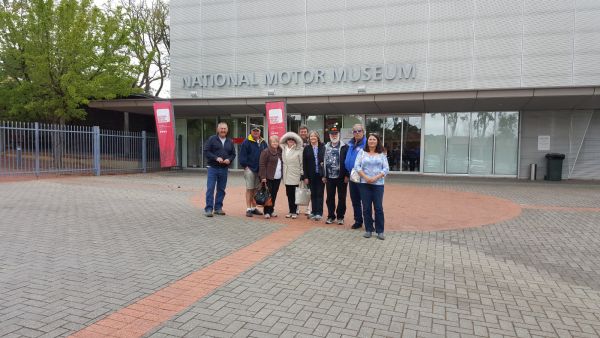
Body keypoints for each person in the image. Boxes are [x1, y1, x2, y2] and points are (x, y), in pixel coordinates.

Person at [354, 133, 389, 240]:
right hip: (364, 184)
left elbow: (386, 168)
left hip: (378, 184)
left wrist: (375, 178)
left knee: (378, 208)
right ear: (367, 141)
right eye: (370, 139)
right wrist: (366, 177)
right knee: (366, 207)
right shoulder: (362, 152)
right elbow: (357, 166)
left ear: (377, 141)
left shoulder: (382, 154)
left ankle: (380, 231)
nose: (372, 141)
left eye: (374, 139)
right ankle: (368, 229)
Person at [203, 122, 236, 217]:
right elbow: (206, 151)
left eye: (225, 128)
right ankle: (209, 209)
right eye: (221, 128)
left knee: (221, 189)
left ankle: (218, 208)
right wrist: (216, 158)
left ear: (227, 130)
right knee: (210, 188)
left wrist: (229, 160)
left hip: (224, 169)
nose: (223, 130)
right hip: (212, 168)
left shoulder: (230, 141)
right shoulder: (212, 139)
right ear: (218, 129)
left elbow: (233, 154)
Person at [239, 124, 267, 217]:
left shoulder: (263, 142)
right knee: (249, 189)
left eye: (257, 130)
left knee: (256, 190)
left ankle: (254, 208)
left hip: (259, 170)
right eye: (254, 131)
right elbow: (242, 156)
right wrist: (245, 166)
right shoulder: (246, 142)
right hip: (250, 169)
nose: (256, 132)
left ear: (260, 132)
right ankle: (248, 209)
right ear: (251, 132)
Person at [323, 124, 348, 225]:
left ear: (339, 134)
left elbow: (347, 162)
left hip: (341, 177)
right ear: (329, 135)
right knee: (330, 198)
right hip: (329, 177)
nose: (334, 135)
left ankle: (340, 216)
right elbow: (322, 161)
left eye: (336, 133)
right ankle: (330, 216)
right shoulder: (325, 146)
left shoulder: (345, 147)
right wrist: (323, 175)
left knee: (342, 198)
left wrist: (347, 175)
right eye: (332, 134)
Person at [343, 123, 366, 229]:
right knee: (355, 200)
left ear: (363, 132)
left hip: (363, 177)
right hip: (352, 177)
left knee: (366, 200)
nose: (357, 133)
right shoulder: (351, 144)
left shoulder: (366, 144)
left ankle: (368, 221)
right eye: (355, 131)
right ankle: (358, 220)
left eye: (359, 131)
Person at [280, 131, 303, 219]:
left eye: (292, 140)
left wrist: (302, 174)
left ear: (295, 141)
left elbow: (302, 163)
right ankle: (290, 211)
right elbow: (281, 141)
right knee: (288, 194)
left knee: (294, 194)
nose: (290, 141)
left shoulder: (299, 150)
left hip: (295, 174)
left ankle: (294, 211)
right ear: (286, 141)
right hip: (286, 175)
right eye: (289, 139)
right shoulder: (284, 148)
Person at [302, 131, 325, 220]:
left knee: (319, 193)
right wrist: (305, 177)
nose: (313, 138)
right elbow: (304, 163)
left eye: (315, 136)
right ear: (309, 138)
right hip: (310, 175)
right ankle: (313, 212)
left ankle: (319, 213)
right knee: (313, 194)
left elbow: (325, 162)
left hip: (320, 175)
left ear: (318, 137)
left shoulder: (323, 147)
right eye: (311, 136)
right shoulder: (306, 148)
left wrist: (324, 175)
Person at [259, 135, 283, 219]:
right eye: (273, 142)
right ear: (270, 143)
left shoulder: (280, 151)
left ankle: (272, 210)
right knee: (268, 195)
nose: (275, 143)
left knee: (274, 194)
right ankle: (266, 212)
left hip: (278, 177)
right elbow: (262, 165)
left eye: (276, 141)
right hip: (268, 177)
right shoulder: (266, 151)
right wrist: (263, 177)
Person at [297, 125, 311, 215]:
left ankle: (309, 208)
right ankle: (297, 208)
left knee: (309, 189)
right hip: (297, 168)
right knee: (297, 188)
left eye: (304, 131)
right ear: (299, 132)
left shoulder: (311, 141)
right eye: (301, 131)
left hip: (308, 168)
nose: (303, 133)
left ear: (307, 132)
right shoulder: (296, 141)